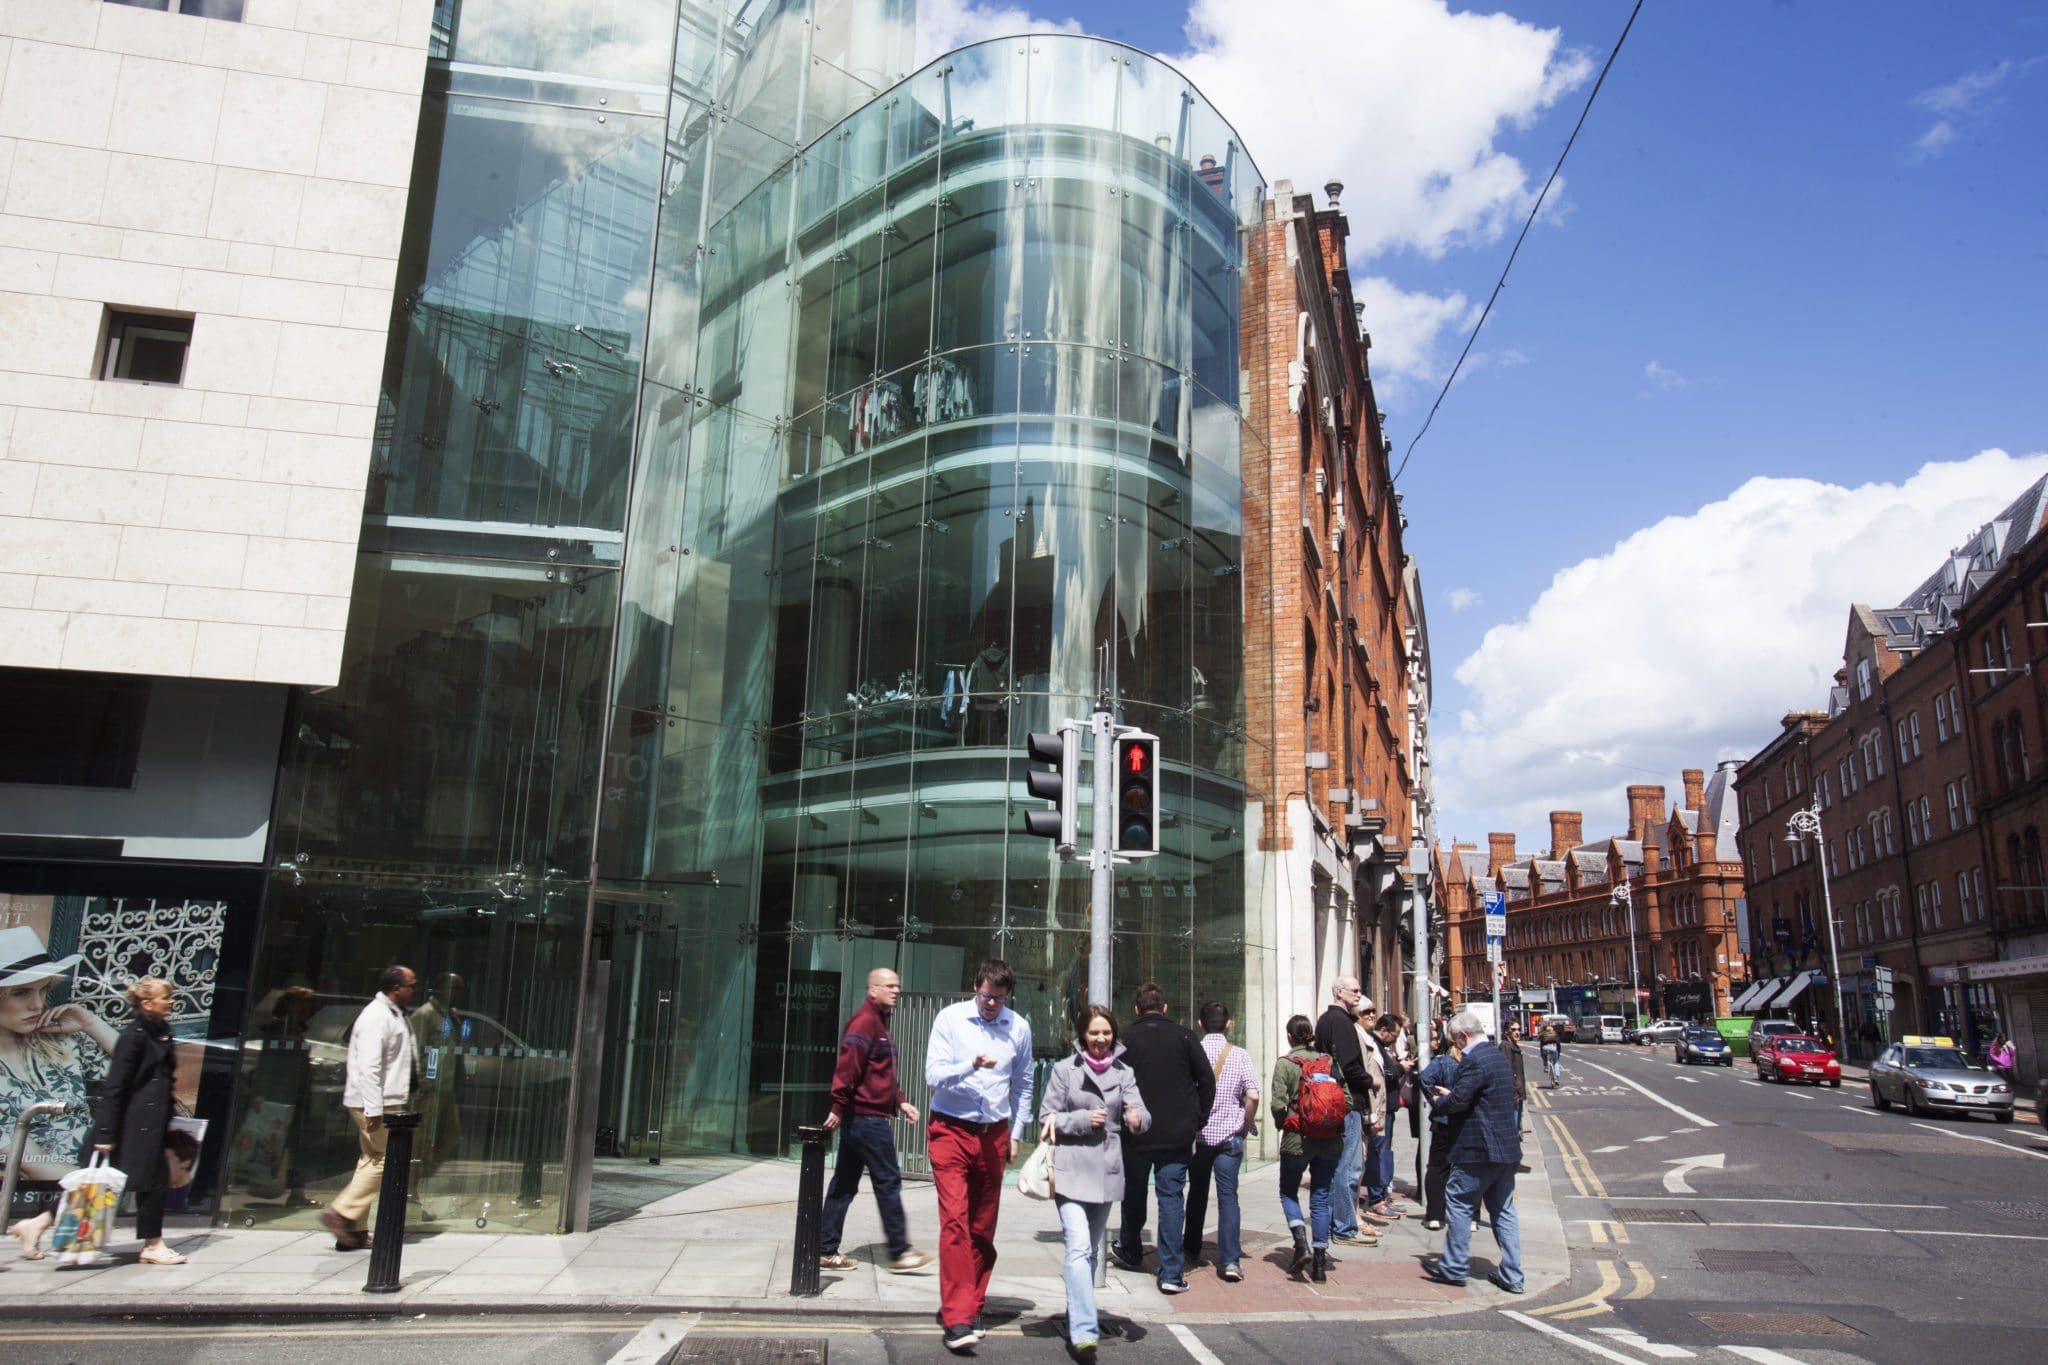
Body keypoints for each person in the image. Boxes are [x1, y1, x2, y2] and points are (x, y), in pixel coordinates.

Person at [925, 960, 1035, 1354]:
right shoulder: (950, 1019)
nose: (991, 1004)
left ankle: (972, 1305)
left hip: (994, 1133)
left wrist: (1018, 1133)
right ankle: (956, 1319)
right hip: (950, 1129)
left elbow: (1024, 1084)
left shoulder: (1018, 1028)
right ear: (975, 986)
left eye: (999, 999)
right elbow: (932, 1075)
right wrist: (968, 1066)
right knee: (954, 1222)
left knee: (982, 1228)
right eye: (987, 996)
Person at [1039, 1004, 1150, 1363]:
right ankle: (1085, 1333)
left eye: (1106, 1033)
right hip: (1072, 1167)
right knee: (1078, 1248)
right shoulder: (1063, 1071)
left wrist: (1136, 1118)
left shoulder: (1125, 1072)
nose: (1101, 1039)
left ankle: (1078, 1313)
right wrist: (1084, 1119)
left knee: (1088, 1254)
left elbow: (1142, 1113)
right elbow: (1046, 1118)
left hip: (1106, 1168)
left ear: (1114, 1035)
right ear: (1082, 1035)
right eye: (1094, 1033)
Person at [1, 927, 118, 1259]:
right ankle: (40, 1222)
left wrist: (91, 1022)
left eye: (42, 990)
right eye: (21, 993)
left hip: (93, 1165)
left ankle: (40, 1224)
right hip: (57, 1178)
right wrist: (103, 1180)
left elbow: (144, 1068)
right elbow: (26, 1160)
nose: (38, 1004)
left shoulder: (62, 1041)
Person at [818, 968, 931, 1274]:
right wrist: (838, 1106)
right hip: (867, 1119)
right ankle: (899, 1251)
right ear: (873, 990)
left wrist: (901, 1100)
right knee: (888, 1180)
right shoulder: (865, 1023)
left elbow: (879, 1073)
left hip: (863, 1117)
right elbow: (848, 1068)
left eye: (898, 985)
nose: (896, 991)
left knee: (844, 1185)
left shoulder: (877, 1024)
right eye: (890, 986)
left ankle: (825, 1249)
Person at [1110, 983, 1212, 1295]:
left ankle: (1131, 1249)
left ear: (1136, 1010)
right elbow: (1207, 1081)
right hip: (1176, 1133)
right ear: (1164, 1008)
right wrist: (1198, 1118)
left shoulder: (1125, 1039)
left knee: (1134, 1193)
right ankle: (1170, 1272)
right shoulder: (1184, 1036)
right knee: (1171, 1199)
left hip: (1136, 1132)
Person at [84, 977, 185, 1266]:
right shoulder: (134, 1035)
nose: (171, 1001)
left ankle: (37, 1223)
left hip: (149, 1124)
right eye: (165, 997)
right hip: (131, 1127)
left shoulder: (160, 1031)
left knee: (149, 1182)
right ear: (147, 1003)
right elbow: (116, 1086)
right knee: (146, 1182)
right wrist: (105, 1133)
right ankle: (153, 1244)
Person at [1423, 1009, 1524, 1294]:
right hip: (1506, 1150)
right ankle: (1513, 1275)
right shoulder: (1497, 1056)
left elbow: (1458, 1102)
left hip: (1477, 1149)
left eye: (1456, 1042)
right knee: (1503, 1210)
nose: (1457, 1047)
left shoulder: (1474, 1060)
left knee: (1458, 1201)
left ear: (1463, 1036)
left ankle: (1454, 1267)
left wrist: (1439, 1099)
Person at [320, 965, 418, 1252]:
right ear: (395, 988)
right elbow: (370, 1067)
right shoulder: (376, 1017)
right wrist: (374, 1109)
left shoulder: (392, 1014)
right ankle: (341, 1212)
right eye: (411, 985)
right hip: (375, 1102)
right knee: (388, 1158)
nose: (415, 990)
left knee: (370, 1159)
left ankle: (353, 1231)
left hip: (382, 1100)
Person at [1183, 1001, 1258, 1283]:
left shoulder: (1193, 1052)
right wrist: (1245, 1126)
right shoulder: (1239, 1055)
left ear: (1200, 1024)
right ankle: (1229, 1261)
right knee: (1229, 1197)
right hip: (1229, 1138)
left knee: (1197, 1193)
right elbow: (1252, 1095)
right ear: (1228, 1024)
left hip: (1198, 1137)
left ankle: (1191, 1247)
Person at [1271, 1014, 1343, 1282]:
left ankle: (1301, 1242)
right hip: (1330, 1140)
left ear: (1289, 1036)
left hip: (1296, 1139)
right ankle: (1321, 1264)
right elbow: (1345, 1100)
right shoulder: (1329, 1062)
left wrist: (1284, 1123)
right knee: (1321, 1197)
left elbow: (1278, 1104)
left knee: (1288, 1192)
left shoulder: (1285, 1064)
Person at [1313, 977, 1375, 1246]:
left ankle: (1334, 1224)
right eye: (1355, 991)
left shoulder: (1326, 1020)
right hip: (1347, 1100)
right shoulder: (1341, 1022)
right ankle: (1345, 1227)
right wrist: (1369, 1080)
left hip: (1334, 1099)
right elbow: (1350, 1065)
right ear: (1340, 993)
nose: (1359, 995)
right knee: (1348, 1167)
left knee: (1339, 1165)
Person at [1417, 1026, 1463, 1231]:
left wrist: (1435, 1100)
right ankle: (1469, 1218)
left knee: (1437, 1168)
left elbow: (1424, 1078)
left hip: (1443, 1121)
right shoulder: (1473, 1062)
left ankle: (1435, 1215)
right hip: (1466, 1123)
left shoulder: (1442, 1062)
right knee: (1466, 1169)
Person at [1364, 1012, 1407, 1222]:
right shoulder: (1374, 1047)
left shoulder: (1382, 1048)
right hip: (1380, 1110)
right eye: (1394, 1035)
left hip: (1387, 1108)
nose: (1395, 1039)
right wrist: (1401, 1067)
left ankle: (1382, 1195)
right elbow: (1384, 1075)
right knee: (1378, 1154)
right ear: (1384, 1031)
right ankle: (1376, 1199)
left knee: (1384, 1153)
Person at [1500, 1017, 1529, 1136]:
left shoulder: (1514, 1046)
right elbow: (1507, 1071)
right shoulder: (1506, 1046)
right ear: (1506, 1031)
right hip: (1514, 1095)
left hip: (1518, 1093)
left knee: (1516, 1128)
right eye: (1513, 1030)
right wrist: (1514, 1092)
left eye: (1518, 1029)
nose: (1517, 1032)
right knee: (1512, 1131)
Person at [1538, 1017, 1563, 1087]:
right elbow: (1558, 1044)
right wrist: (1558, 1053)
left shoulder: (1543, 1033)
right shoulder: (1555, 1033)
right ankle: (1556, 1078)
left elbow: (1541, 1045)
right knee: (1556, 1062)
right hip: (1554, 1048)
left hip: (1545, 1048)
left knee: (1544, 1055)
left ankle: (1546, 1066)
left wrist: (1542, 1053)